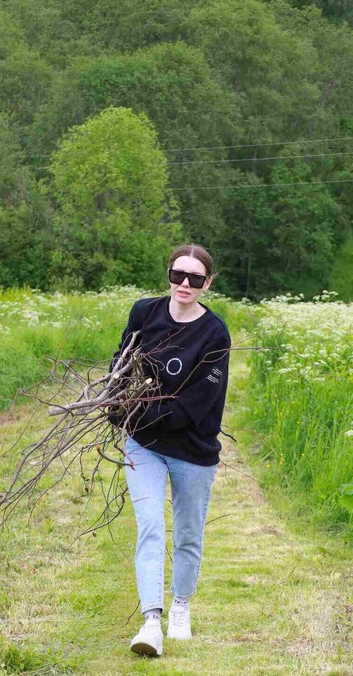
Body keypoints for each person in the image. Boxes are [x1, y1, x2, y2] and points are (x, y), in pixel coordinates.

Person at [110, 244, 232, 657]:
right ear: (168, 274)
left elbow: (194, 406)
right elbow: (122, 362)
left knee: (187, 535)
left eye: (195, 279)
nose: (184, 284)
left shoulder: (215, 334)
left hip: (192, 449)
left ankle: (181, 605)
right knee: (149, 526)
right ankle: (151, 620)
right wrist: (114, 399)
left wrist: (135, 415)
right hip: (144, 445)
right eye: (178, 275)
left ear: (207, 284)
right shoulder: (144, 313)